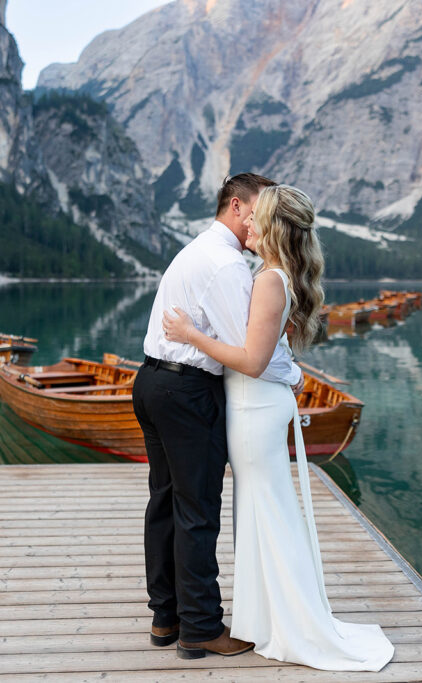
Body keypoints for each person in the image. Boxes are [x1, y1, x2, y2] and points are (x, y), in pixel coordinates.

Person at [162, 184, 395, 671]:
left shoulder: (269, 280)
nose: (247, 224)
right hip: (258, 407)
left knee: (264, 507)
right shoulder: (275, 274)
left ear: (272, 225)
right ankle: (266, 617)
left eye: (256, 217)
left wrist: (191, 335)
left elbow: (250, 360)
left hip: (252, 408)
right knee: (262, 508)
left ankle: (285, 621)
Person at [132, 173, 304, 659]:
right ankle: (201, 627)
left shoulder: (195, 250)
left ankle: (165, 617)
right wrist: (292, 376)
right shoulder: (228, 266)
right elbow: (250, 352)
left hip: (150, 382)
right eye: (256, 213)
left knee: (164, 502)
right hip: (187, 390)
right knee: (198, 508)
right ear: (236, 206)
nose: (259, 225)